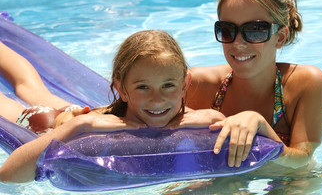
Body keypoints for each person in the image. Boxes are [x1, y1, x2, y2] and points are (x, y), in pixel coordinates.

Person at [0, 31, 225, 183]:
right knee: (28, 87)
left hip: (89, 113)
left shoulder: (202, 120)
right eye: (143, 87)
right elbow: (7, 174)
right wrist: (78, 124)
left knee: (33, 89)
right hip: (46, 123)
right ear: (122, 89)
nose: (157, 99)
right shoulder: (86, 127)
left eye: (168, 85)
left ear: (185, 84)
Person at [185, 0, 322, 170]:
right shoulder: (199, 84)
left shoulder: (305, 82)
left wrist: (260, 124)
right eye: (227, 30)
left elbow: (301, 159)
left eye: (255, 30)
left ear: (280, 37)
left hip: (289, 180)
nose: (238, 43)